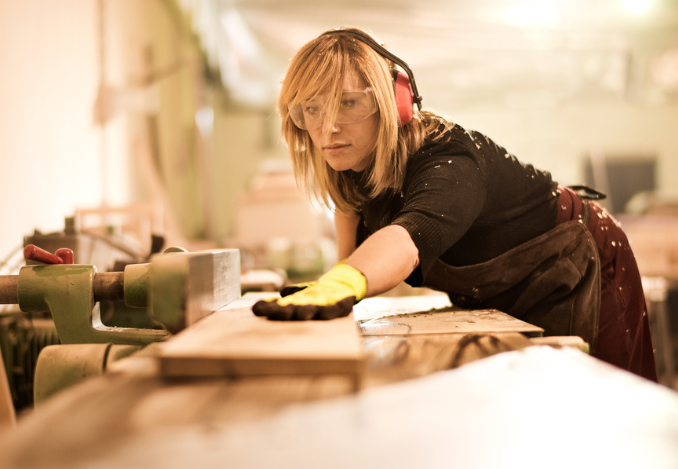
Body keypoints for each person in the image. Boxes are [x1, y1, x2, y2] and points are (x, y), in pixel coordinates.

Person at [252, 27, 657, 381]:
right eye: (313, 109)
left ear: (395, 102)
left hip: (583, 262)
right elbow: (350, 262)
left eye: (348, 102)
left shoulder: (448, 158)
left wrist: (342, 284)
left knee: (606, 408)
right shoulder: (351, 162)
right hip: (503, 291)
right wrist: (334, 288)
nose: (328, 127)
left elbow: (409, 238)